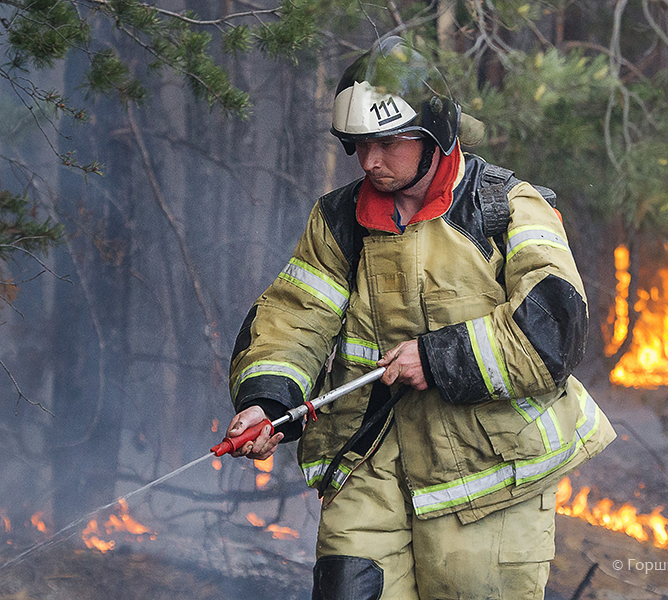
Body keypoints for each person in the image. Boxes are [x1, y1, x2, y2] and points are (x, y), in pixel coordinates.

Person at [225, 36, 616, 600]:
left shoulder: (507, 207)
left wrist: (437, 358)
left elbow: (551, 332)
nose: (369, 161)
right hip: (367, 464)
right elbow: (294, 317)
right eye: (358, 145)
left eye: (386, 143)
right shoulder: (340, 220)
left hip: (489, 480)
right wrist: (267, 405)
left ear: (434, 135)